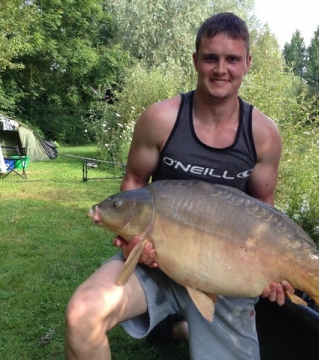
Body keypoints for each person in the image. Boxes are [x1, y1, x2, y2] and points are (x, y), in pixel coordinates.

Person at [65, 12, 294, 360]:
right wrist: (132, 243)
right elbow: (134, 185)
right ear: (195, 61)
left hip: (225, 275)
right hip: (157, 263)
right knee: (82, 314)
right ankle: (175, 322)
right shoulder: (161, 119)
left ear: (247, 63)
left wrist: (277, 272)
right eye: (210, 58)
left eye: (232, 59)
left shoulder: (263, 134)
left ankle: (177, 326)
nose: (221, 69)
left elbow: (266, 212)